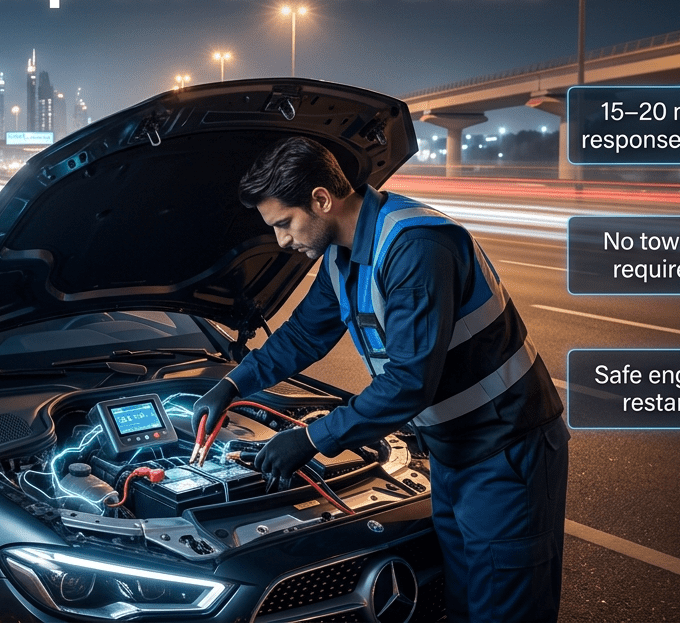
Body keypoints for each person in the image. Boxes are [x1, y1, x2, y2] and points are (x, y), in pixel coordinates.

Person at [193, 136, 568, 623]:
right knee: (465, 606)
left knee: (506, 612)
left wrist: (310, 439)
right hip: (454, 452)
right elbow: (305, 334)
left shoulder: (416, 247)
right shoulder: (343, 253)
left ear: (322, 199)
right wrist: (233, 385)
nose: (282, 241)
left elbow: (410, 382)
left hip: (507, 452)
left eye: (285, 224)